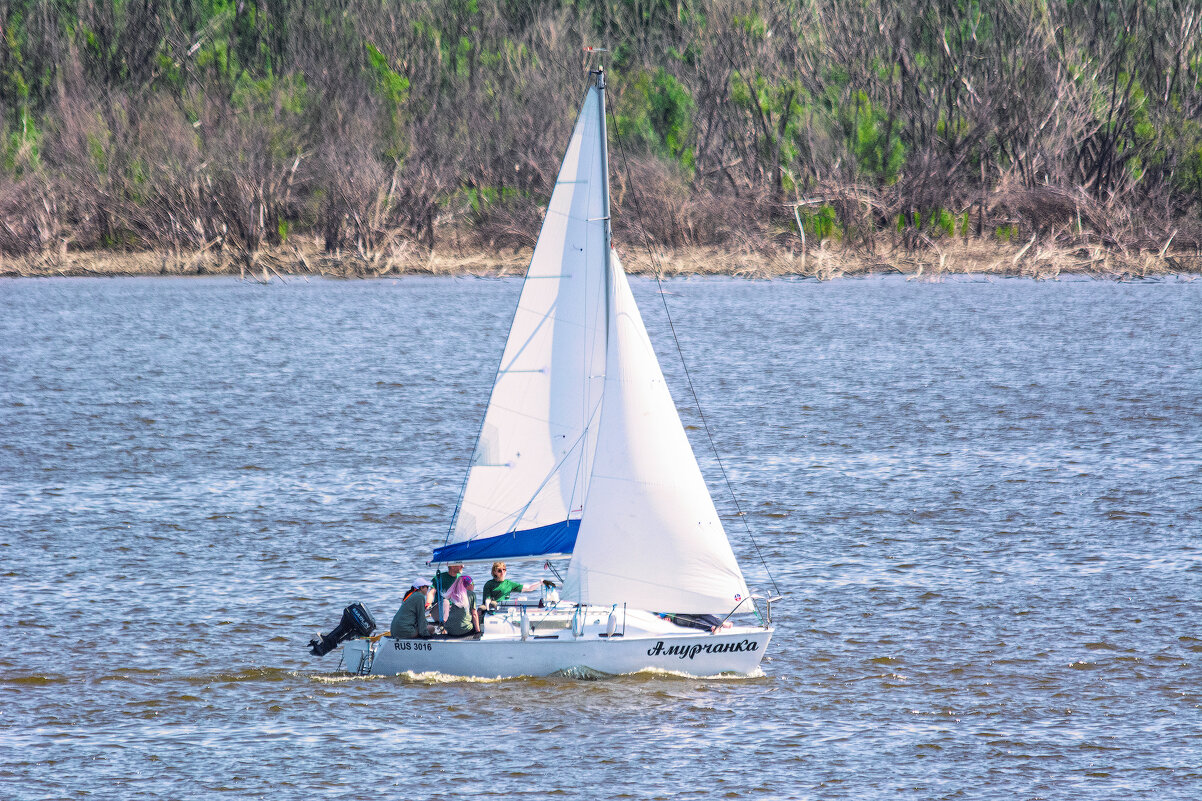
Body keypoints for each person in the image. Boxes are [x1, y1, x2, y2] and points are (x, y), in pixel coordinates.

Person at [480, 562, 553, 611]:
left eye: (504, 570)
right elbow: (487, 599)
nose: (502, 572)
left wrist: (540, 582)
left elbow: (529, 588)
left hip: (505, 608)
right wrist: (488, 609)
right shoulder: (489, 584)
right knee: (482, 608)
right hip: (492, 607)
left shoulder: (509, 584)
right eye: (499, 570)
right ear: (494, 572)